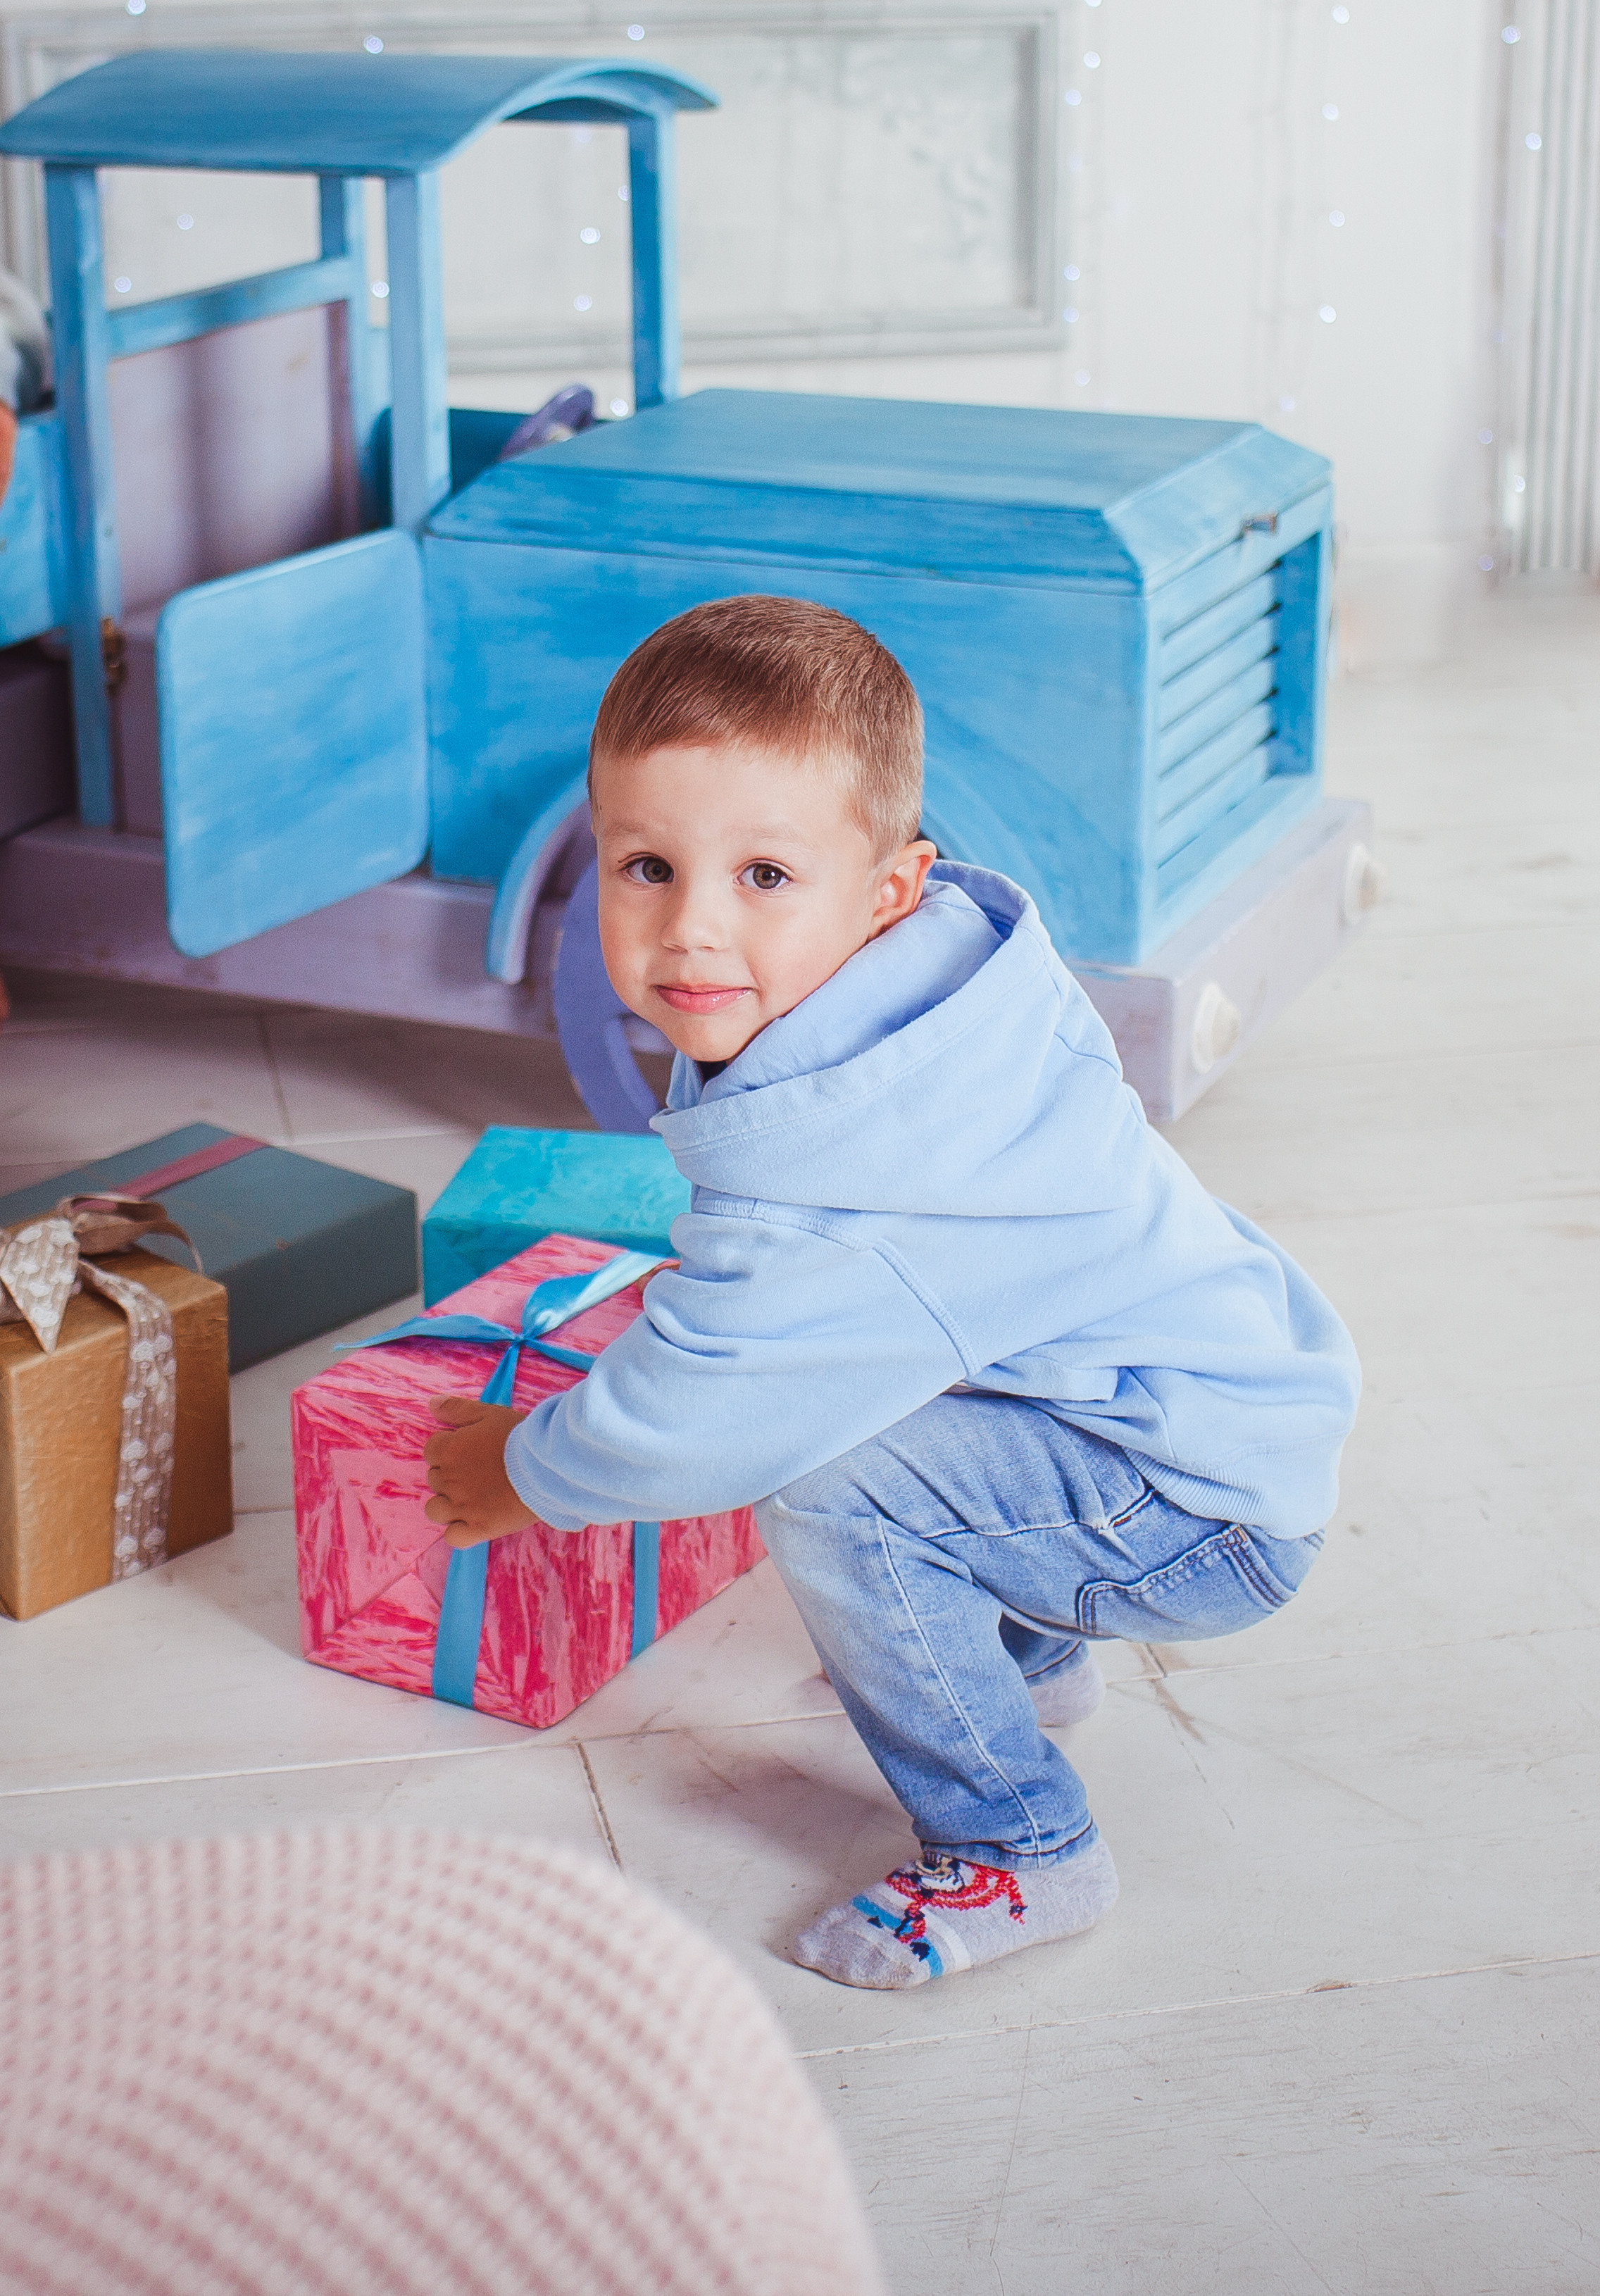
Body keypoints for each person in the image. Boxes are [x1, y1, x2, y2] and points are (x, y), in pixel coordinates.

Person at [424, 594, 1361, 1992]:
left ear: (886, 890)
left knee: (829, 1486)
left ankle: (1018, 1839)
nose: (688, 929)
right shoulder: (923, 993)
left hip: (1191, 1508)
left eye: (760, 876)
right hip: (1209, 1402)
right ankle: (1019, 1661)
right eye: (644, 866)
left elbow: (704, 1410)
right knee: (905, 1387)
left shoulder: (844, 1171)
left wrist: (526, 1469)